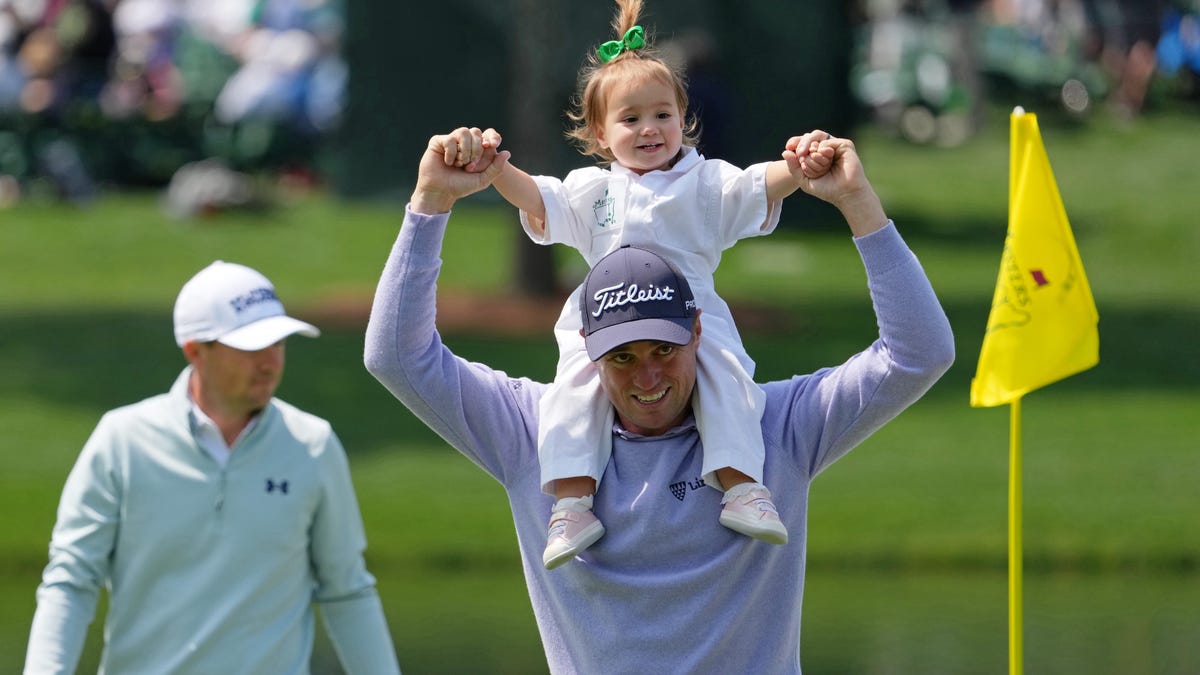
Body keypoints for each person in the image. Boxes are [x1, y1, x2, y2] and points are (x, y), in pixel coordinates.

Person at [363, 126, 955, 672]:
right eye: (621, 357)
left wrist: (859, 205)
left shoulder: (776, 426)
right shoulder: (534, 432)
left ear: (698, 332)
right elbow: (396, 357)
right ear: (589, 354)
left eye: (663, 350)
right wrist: (430, 202)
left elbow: (918, 353)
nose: (647, 377)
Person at [456, 0, 835, 569]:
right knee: (572, 392)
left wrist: (801, 167)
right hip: (606, 314)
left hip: (691, 313)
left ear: (684, 118)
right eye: (630, 119)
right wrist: (495, 171)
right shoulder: (594, 191)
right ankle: (571, 503)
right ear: (601, 136)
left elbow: (757, 188)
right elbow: (540, 198)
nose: (649, 129)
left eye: (662, 114)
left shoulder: (705, 183)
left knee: (728, 379)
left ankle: (742, 488)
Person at [25, 261, 402, 674]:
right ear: (194, 350)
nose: (270, 363)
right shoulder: (122, 440)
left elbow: (347, 591)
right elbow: (71, 580)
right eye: (251, 347)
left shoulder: (312, 444)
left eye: (277, 343)